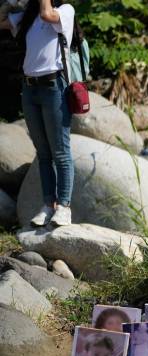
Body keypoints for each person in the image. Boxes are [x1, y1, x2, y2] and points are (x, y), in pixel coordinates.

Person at [0, 0, 81, 226]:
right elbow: (2, 23)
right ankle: (48, 205)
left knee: (61, 151)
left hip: (54, 88)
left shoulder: (65, 11)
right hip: (30, 89)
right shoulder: (28, 16)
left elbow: (47, 14)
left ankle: (64, 206)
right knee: (43, 153)